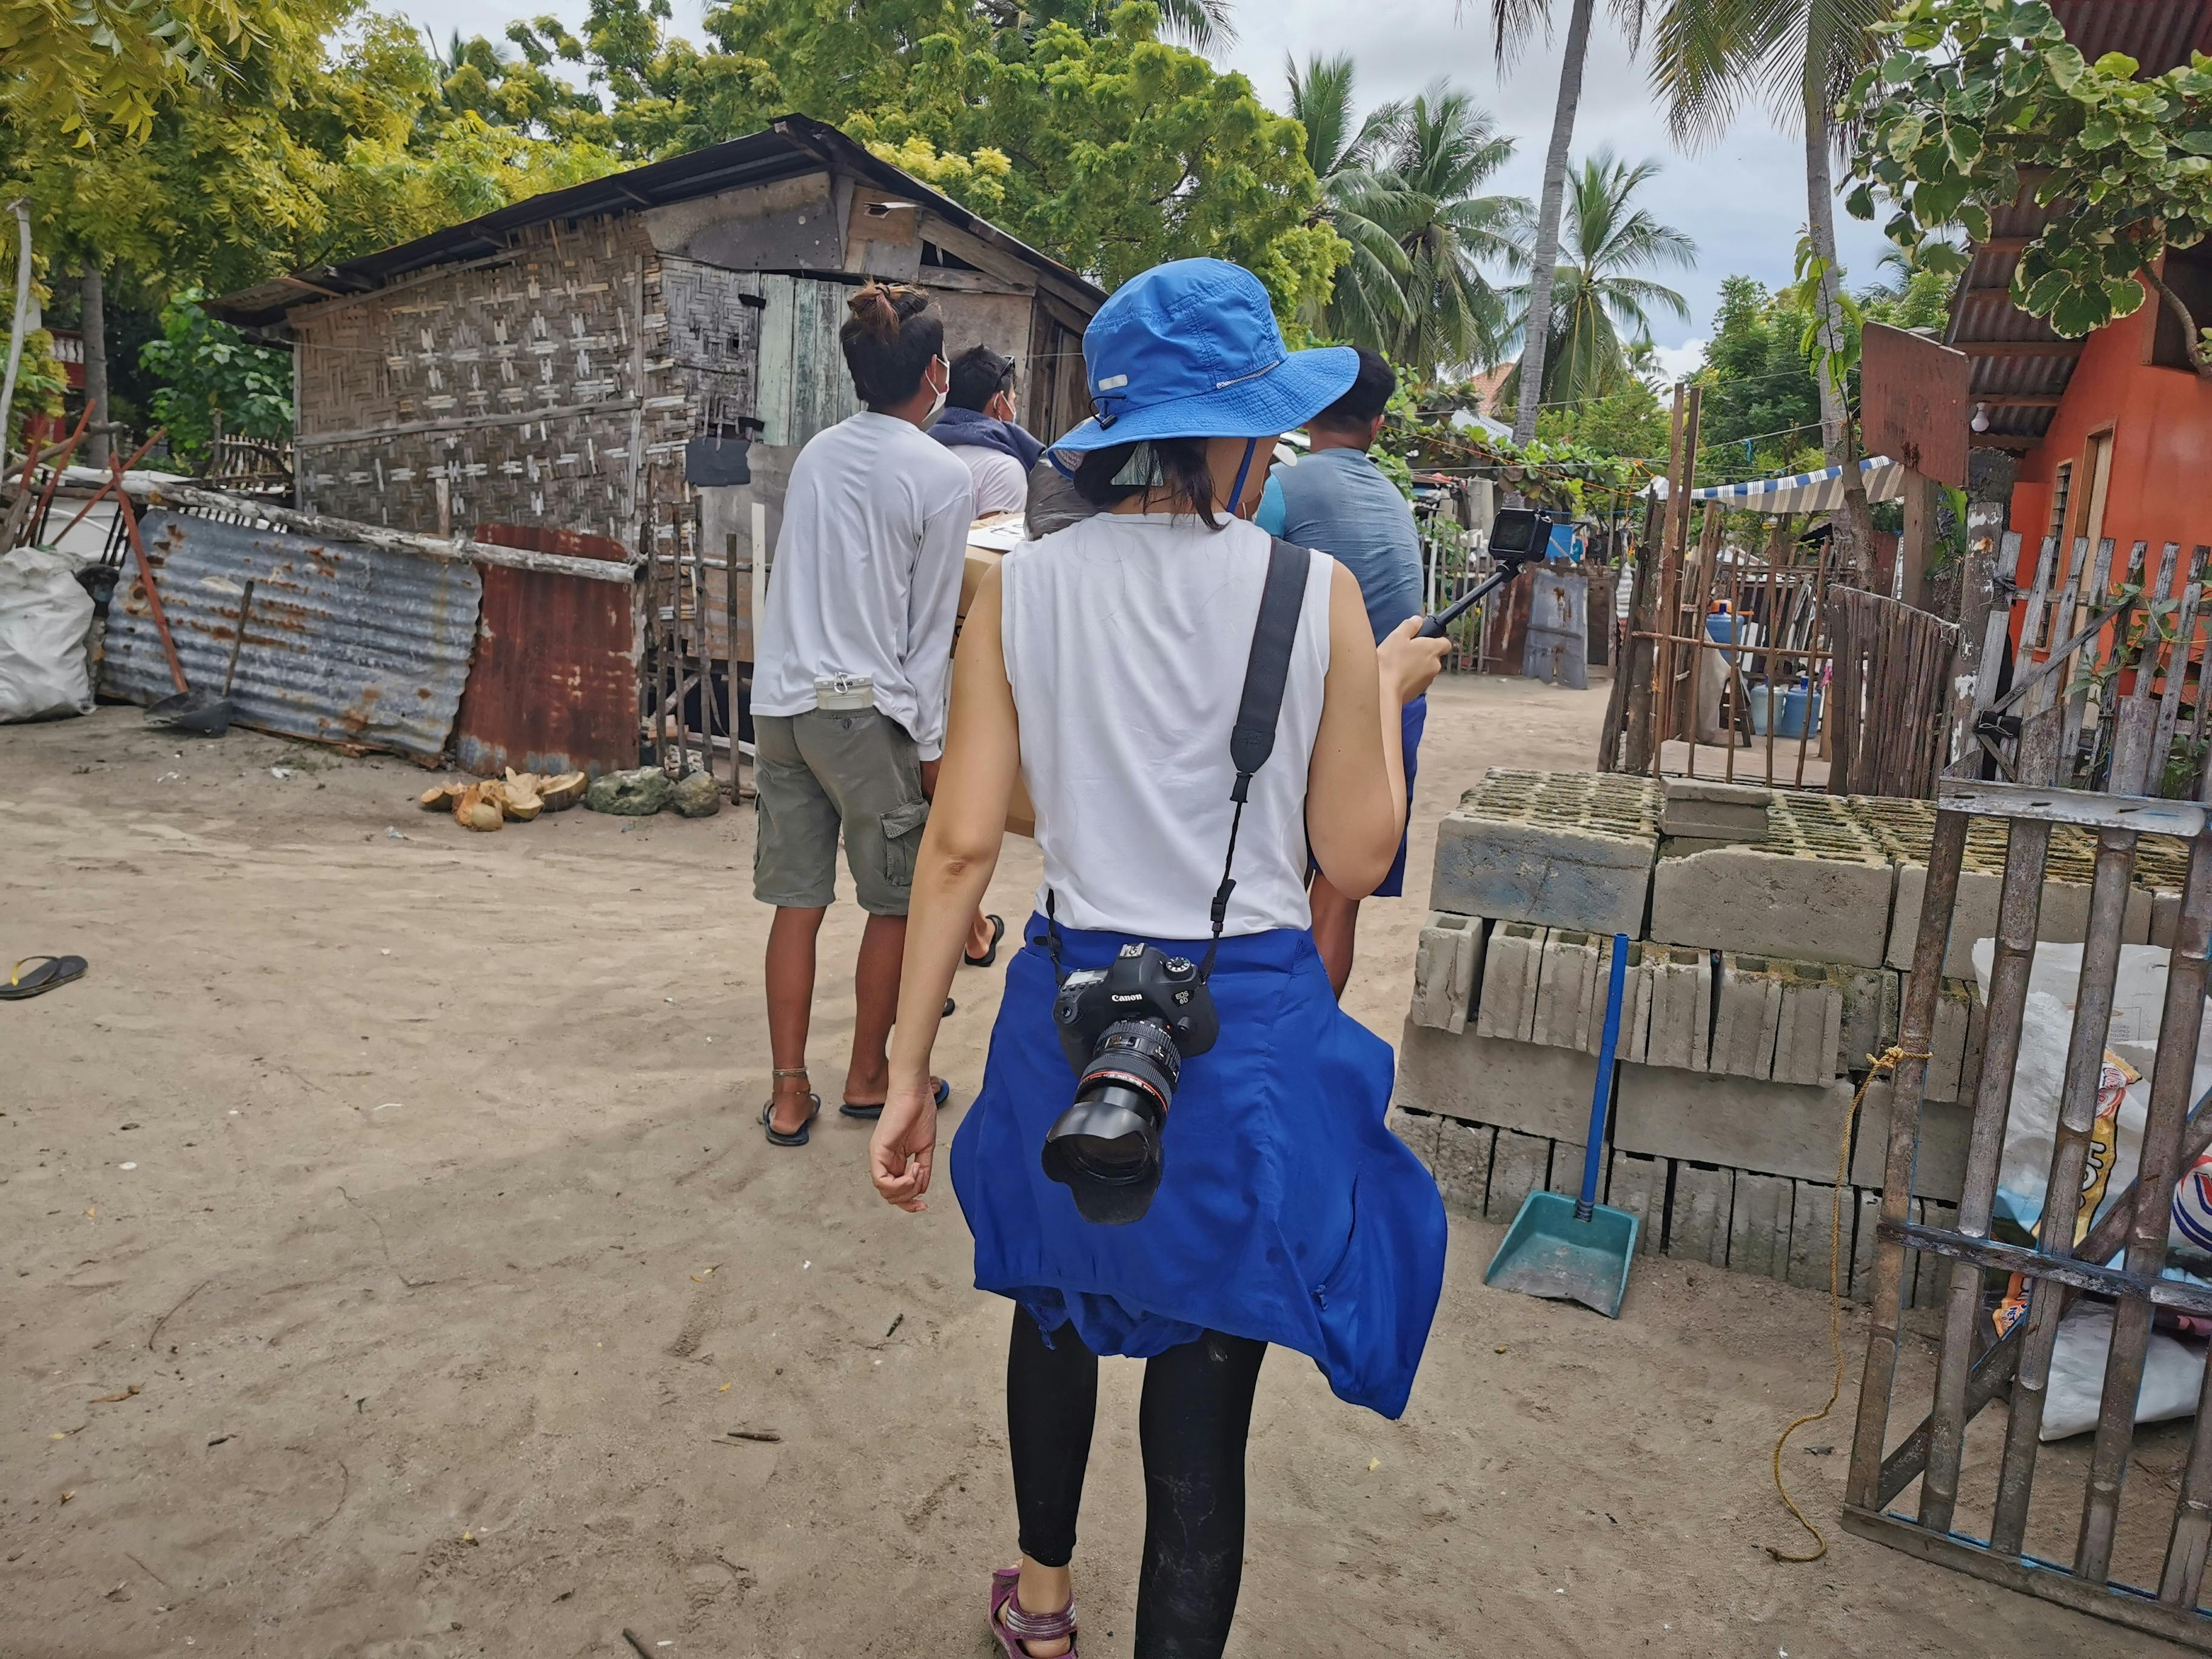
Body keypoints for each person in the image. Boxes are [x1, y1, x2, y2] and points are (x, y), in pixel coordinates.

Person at [866, 259, 1450, 1658]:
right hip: (1233, 1038)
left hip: (1068, 1015)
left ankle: (1042, 1608)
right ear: (1240, 433)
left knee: (1053, 1311)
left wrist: (905, 1069)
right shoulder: (1314, 594)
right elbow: (1355, 851)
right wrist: (1381, 688)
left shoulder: (1021, 586)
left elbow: (960, 846)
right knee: (1203, 1408)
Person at [748, 283, 973, 1147]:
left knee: (797, 903)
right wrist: (932, 753)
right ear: (935, 372)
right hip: (863, 714)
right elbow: (927, 638)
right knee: (897, 904)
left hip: (782, 705)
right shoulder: (941, 477)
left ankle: (789, 1093)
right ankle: (870, 1076)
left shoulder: (818, 455)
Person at [1253, 347, 1428, 997]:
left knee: (1268, 881)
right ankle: (1311, 1035)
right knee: (1337, 898)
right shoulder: (1396, 500)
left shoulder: (1279, 487)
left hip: (1305, 705)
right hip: (1391, 707)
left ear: (1307, 416)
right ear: (1378, 426)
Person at [931, 344, 1044, 517]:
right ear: (998, 404)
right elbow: (992, 534)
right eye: (1013, 401)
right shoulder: (1003, 469)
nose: (1014, 409)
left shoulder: (923, 453)